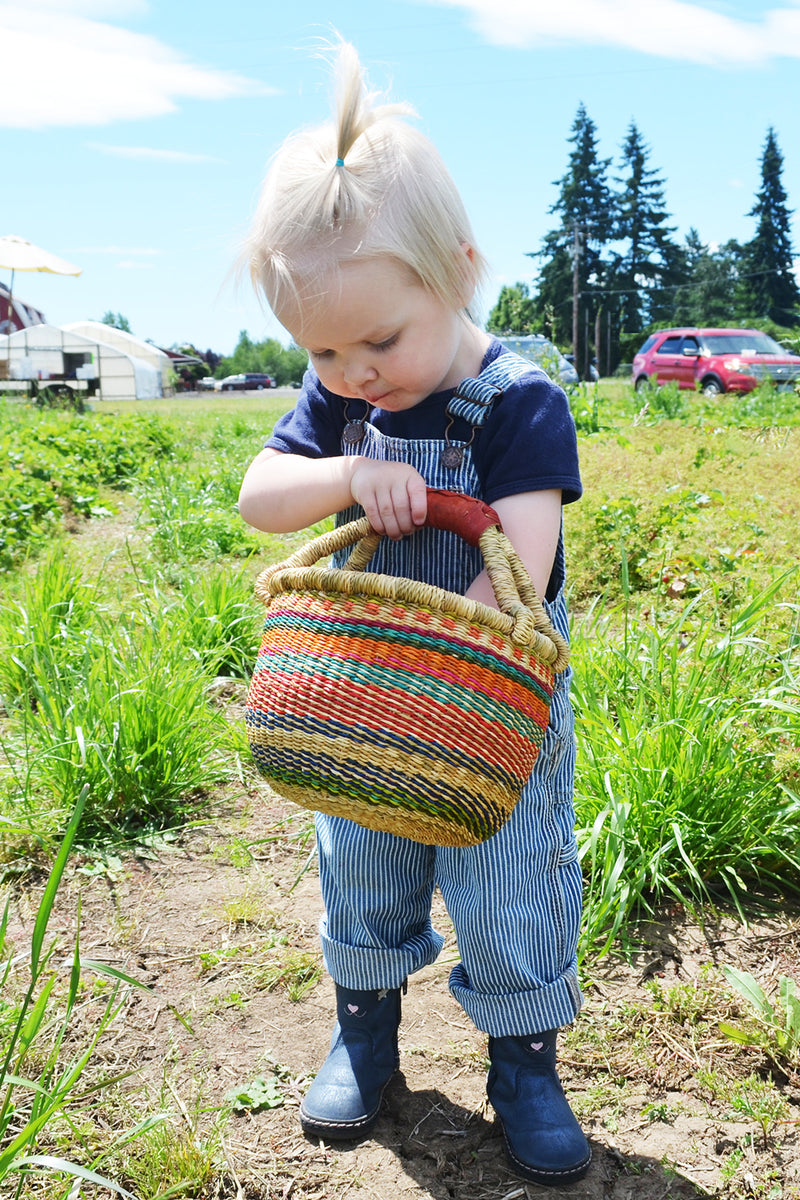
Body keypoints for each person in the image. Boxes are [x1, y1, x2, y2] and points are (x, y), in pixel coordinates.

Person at [237, 41, 590, 1187]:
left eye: (377, 341)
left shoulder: (516, 402)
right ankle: (364, 1028)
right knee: (363, 857)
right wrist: (346, 476)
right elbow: (258, 499)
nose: (355, 374)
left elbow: (515, 571)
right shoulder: (340, 399)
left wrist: (440, 502)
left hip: (484, 705)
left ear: (458, 271)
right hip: (359, 699)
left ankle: (522, 1058)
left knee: (506, 877)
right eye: (322, 350)